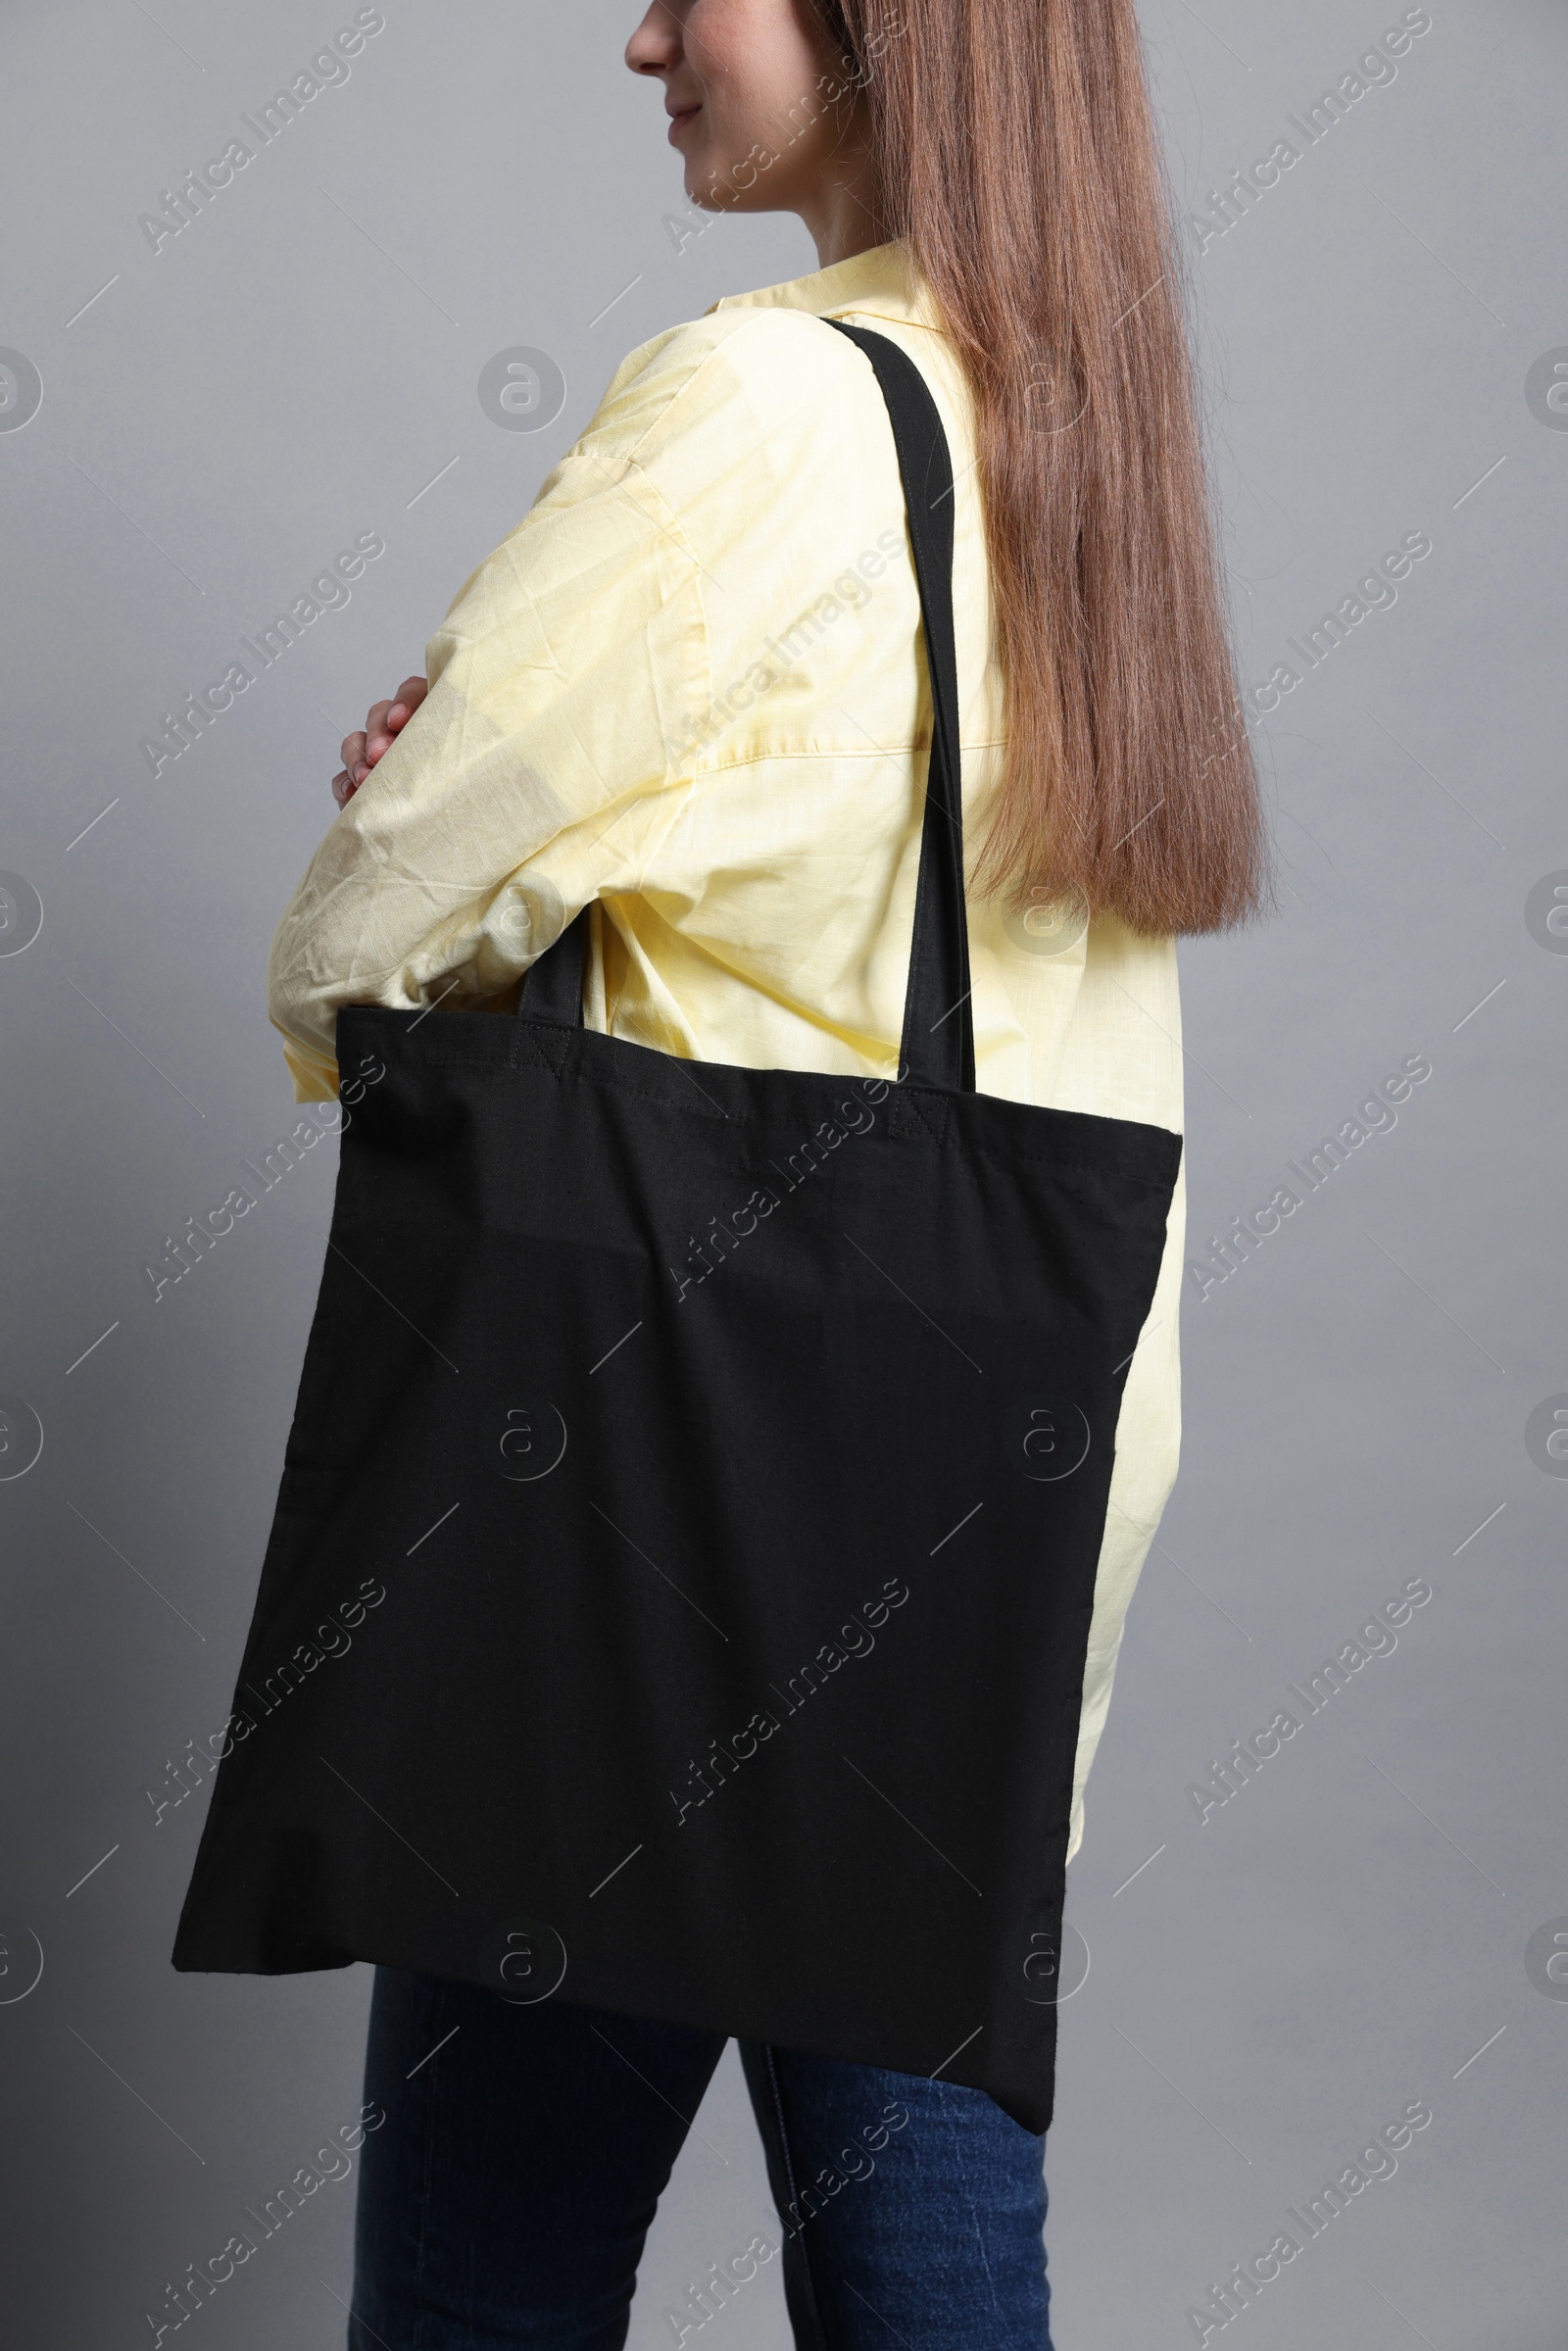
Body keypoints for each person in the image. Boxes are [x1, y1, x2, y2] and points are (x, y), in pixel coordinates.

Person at [268, 3, 1264, 2341]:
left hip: (655, 1499)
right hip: (993, 1502)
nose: (638, 39)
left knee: (478, 2292)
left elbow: (360, 944)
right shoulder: (1073, 426)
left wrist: (464, 838)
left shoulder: (753, 403)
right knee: (925, 2259)